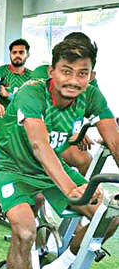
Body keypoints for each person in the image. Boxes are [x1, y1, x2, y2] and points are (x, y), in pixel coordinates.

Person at [0, 39, 118, 269]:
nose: (74, 80)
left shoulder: (91, 95)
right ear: (52, 71)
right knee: (25, 231)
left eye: (82, 73)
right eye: (66, 71)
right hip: (13, 168)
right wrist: (70, 188)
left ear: (91, 76)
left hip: (52, 169)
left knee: (109, 215)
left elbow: (114, 139)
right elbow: (39, 145)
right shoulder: (31, 92)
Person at [32, 32, 99, 176]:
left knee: (85, 160)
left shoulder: (90, 83)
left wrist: (80, 132)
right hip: (39, 135)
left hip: (64, 138)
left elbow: (96, 113)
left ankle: (88, 190)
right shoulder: (40, 75)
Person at [0, 39, 35, 216]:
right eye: (14, 52)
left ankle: (22, 197)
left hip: (22, 119)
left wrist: (9, 95)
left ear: (27, 54)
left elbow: (29, 99)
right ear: (10, 54)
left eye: (21, 52)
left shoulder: (32, 76)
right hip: (1, 117)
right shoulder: (0, 72)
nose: (17, 56)